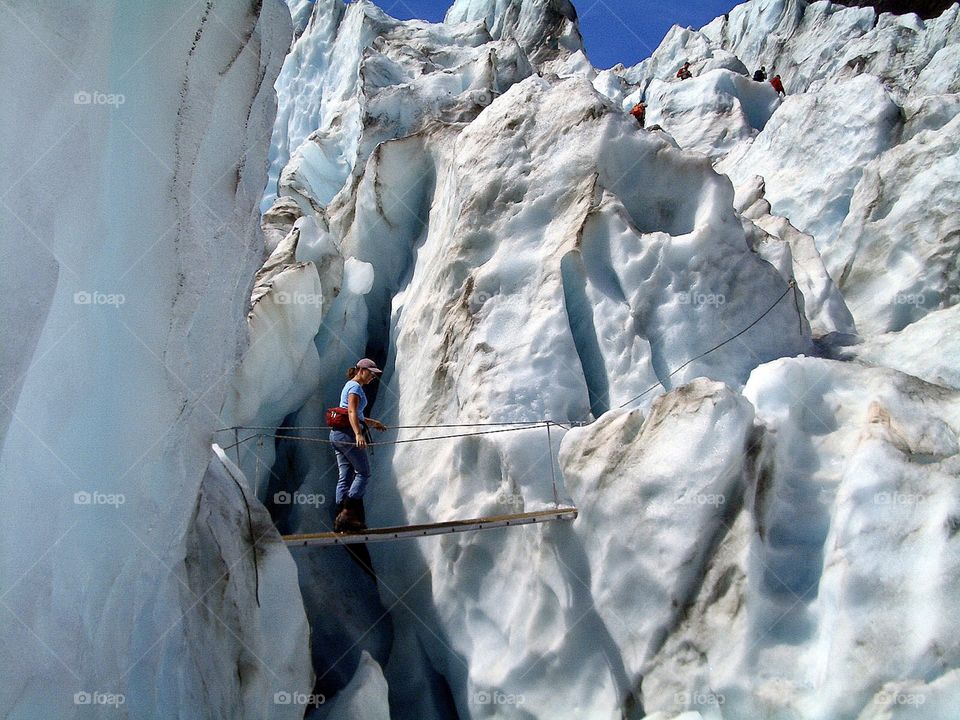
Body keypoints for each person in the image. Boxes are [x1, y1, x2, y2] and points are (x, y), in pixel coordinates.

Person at [330, 358, 387, 532]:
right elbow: (352, 412)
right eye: (371, 373)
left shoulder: (351, 386)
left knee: (345, 476)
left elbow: (354, 413)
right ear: (361, 370)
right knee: (363, 473)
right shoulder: (355, 388)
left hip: (337, 435)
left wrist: (372, 422)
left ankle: (340, 519)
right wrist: (358, 434)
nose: (372, 377)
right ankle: (348, 514)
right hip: (347, 435)